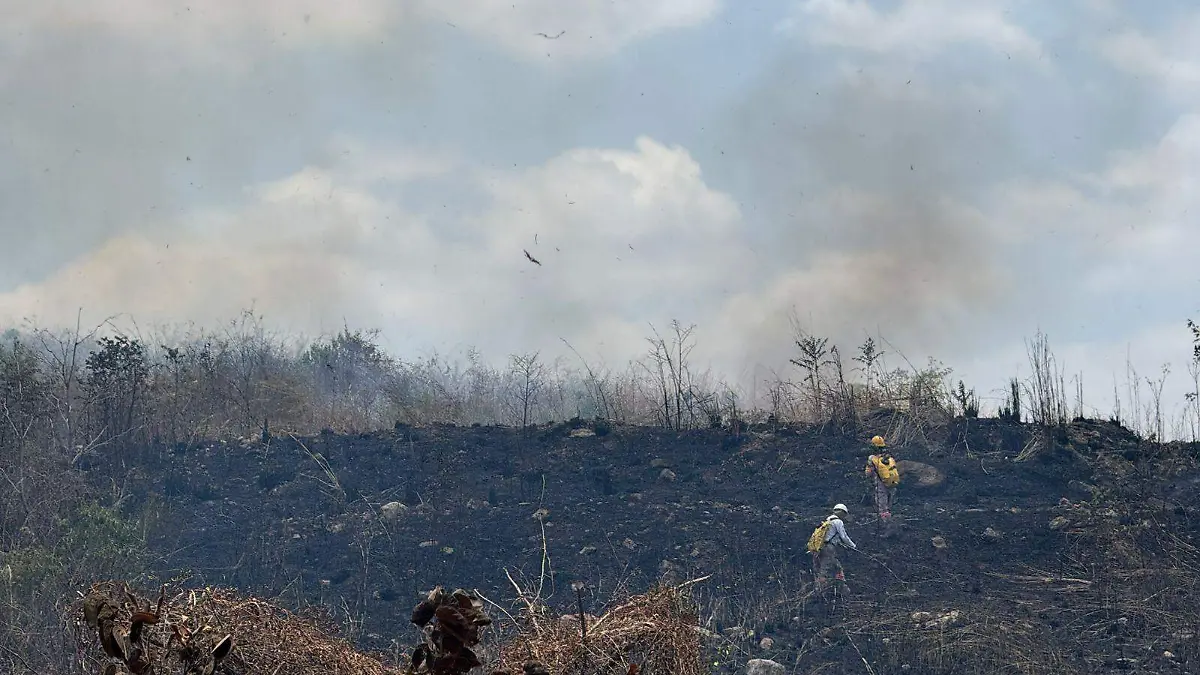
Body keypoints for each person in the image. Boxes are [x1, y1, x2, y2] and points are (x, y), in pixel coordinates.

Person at [809, 503, 857, 598]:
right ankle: (819, 592)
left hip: (820, 549)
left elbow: (832, 537)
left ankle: (843, 590)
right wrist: (853, 546)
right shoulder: (838, 522)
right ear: (843, 513)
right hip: (829, 549)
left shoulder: (827, 521)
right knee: (825, 570)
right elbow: (844, 536)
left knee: (837, 567)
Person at [864, 435, 900, 520]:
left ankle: (883, 517)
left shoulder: (872, 458)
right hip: (892, 481)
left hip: (880, 482)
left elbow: (868, 473)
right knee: (889, 498)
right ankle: (889, 514)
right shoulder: (889, 457)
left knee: (881, 500)